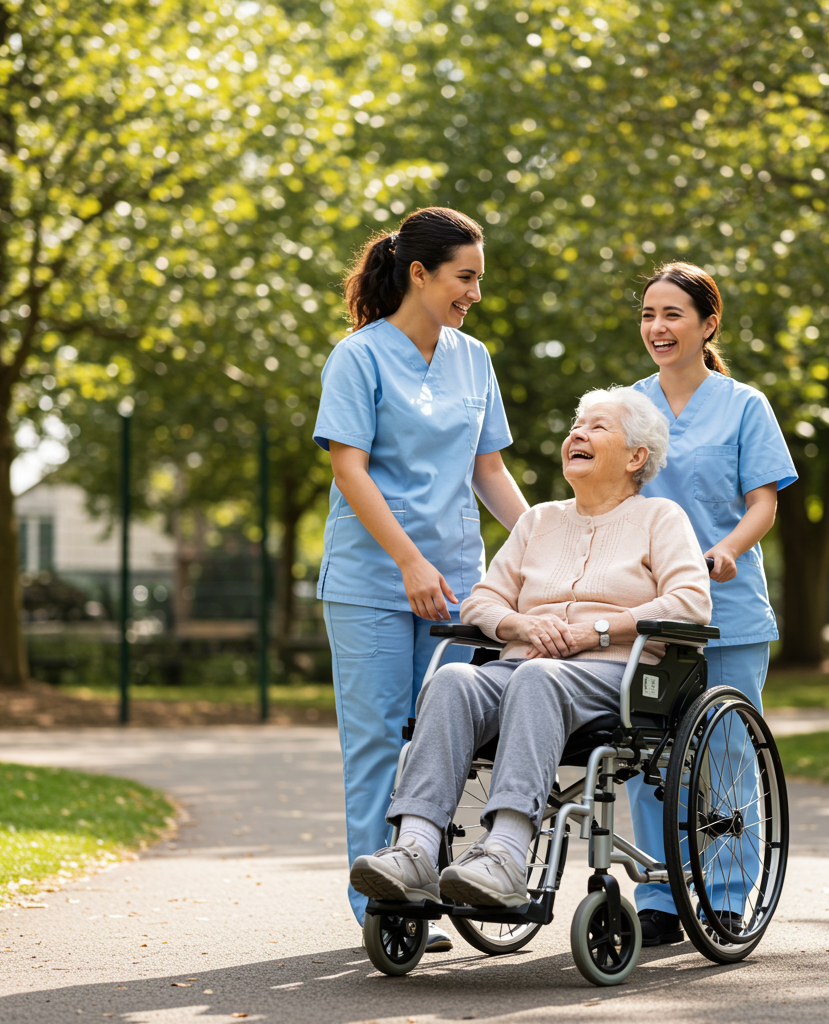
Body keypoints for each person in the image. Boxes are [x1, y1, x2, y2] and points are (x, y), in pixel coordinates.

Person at [348, 387, 712, 909]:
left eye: (598, 427)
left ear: (637, 457)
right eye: (576, 425)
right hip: (524, 665)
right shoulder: (538, 520)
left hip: (616, 678)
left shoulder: (661, 519)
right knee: (452, 679)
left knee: (539, 678)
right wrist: (519, 626)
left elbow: (691, 603)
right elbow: (481, 602)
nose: (577, 434)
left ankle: (506, 854)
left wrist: (601, 631)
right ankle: (417, 849)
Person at [313, 207, 529, 945]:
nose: (473, 292)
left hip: (458, 585)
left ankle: (421, 873)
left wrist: (539, 546)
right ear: (419, 273)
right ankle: (383, 907)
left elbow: (488, 469)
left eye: (478, 279)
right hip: (371, 580)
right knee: (377, 739)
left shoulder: (475, 359)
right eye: (463, 277)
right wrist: (408, 559)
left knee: (443, 738)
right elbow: (350, 468)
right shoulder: (359, 358)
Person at [627, 261, 797, 945]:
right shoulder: (627, 407)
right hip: (652, 611)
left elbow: (764, 503)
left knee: (725, 756)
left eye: (671, 314)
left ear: (708, 324)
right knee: (645, 754)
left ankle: (726, 894)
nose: (657, 327)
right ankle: (660, 895)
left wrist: (726, 548)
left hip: (727, 605)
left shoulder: (744, 405)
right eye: (647, 314)